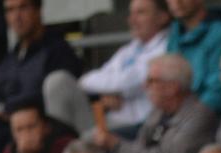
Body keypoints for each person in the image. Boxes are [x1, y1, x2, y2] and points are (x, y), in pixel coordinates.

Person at [71, 0, 173, 134]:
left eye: (140, 13)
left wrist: (108, 87)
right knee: (60, 83)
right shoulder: (130, 49)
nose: (132, 20)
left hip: (139, 127)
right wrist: (105, 91)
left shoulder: (166, 47)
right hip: (109, 120)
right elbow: (97, 79)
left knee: (81, 144)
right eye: (131, 13)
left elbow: (126, 83)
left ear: (162, 17)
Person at [0, 0, 84, 124]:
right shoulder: (9, 60)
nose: (17, 17)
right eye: (10, 10)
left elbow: (58, 99)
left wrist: (11, 109)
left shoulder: (59, 51)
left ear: (38, 10)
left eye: (23, 7)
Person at [165, 0, 221, 115]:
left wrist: (188, 115)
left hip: (209, 116)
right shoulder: (174, 34)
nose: (176, 2)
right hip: (178, 115)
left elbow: (219, 89)